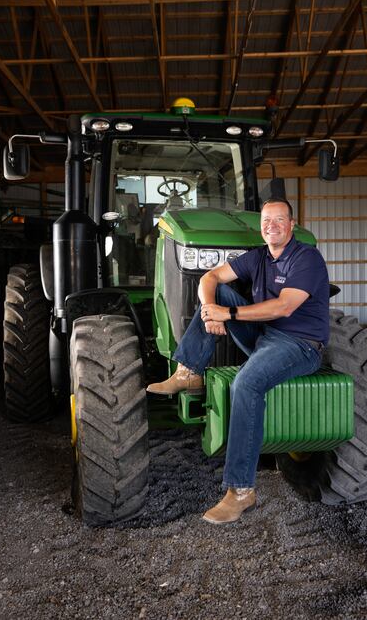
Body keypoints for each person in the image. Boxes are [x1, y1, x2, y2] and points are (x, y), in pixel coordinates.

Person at [147, 198, 330, 524]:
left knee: (246, 382)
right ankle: (189, 370)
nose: (271, 226)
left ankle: (241, 491)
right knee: (216, 293)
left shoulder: (307, 259)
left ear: (290, 224)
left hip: (299, 345)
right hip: (263, 336)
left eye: (279, 220)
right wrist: (209, 310)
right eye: (266, 220)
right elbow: (209, 277)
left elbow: (283, 308)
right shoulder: (258, 256)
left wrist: (227, 313)